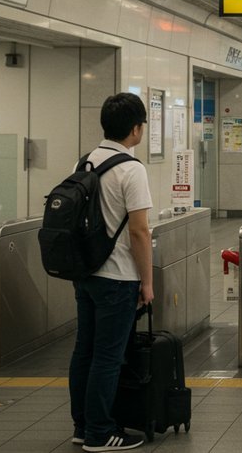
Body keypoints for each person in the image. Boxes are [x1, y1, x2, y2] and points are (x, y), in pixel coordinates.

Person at [69, 93, 154, 452]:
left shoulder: (86, 162)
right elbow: (139, 230)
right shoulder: (132, 169)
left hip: (86, 273)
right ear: (136, 129)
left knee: (84, 351)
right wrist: (147, 282)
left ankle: (82, 425)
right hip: (117, 277)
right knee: (108, 356)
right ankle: (101, 433)